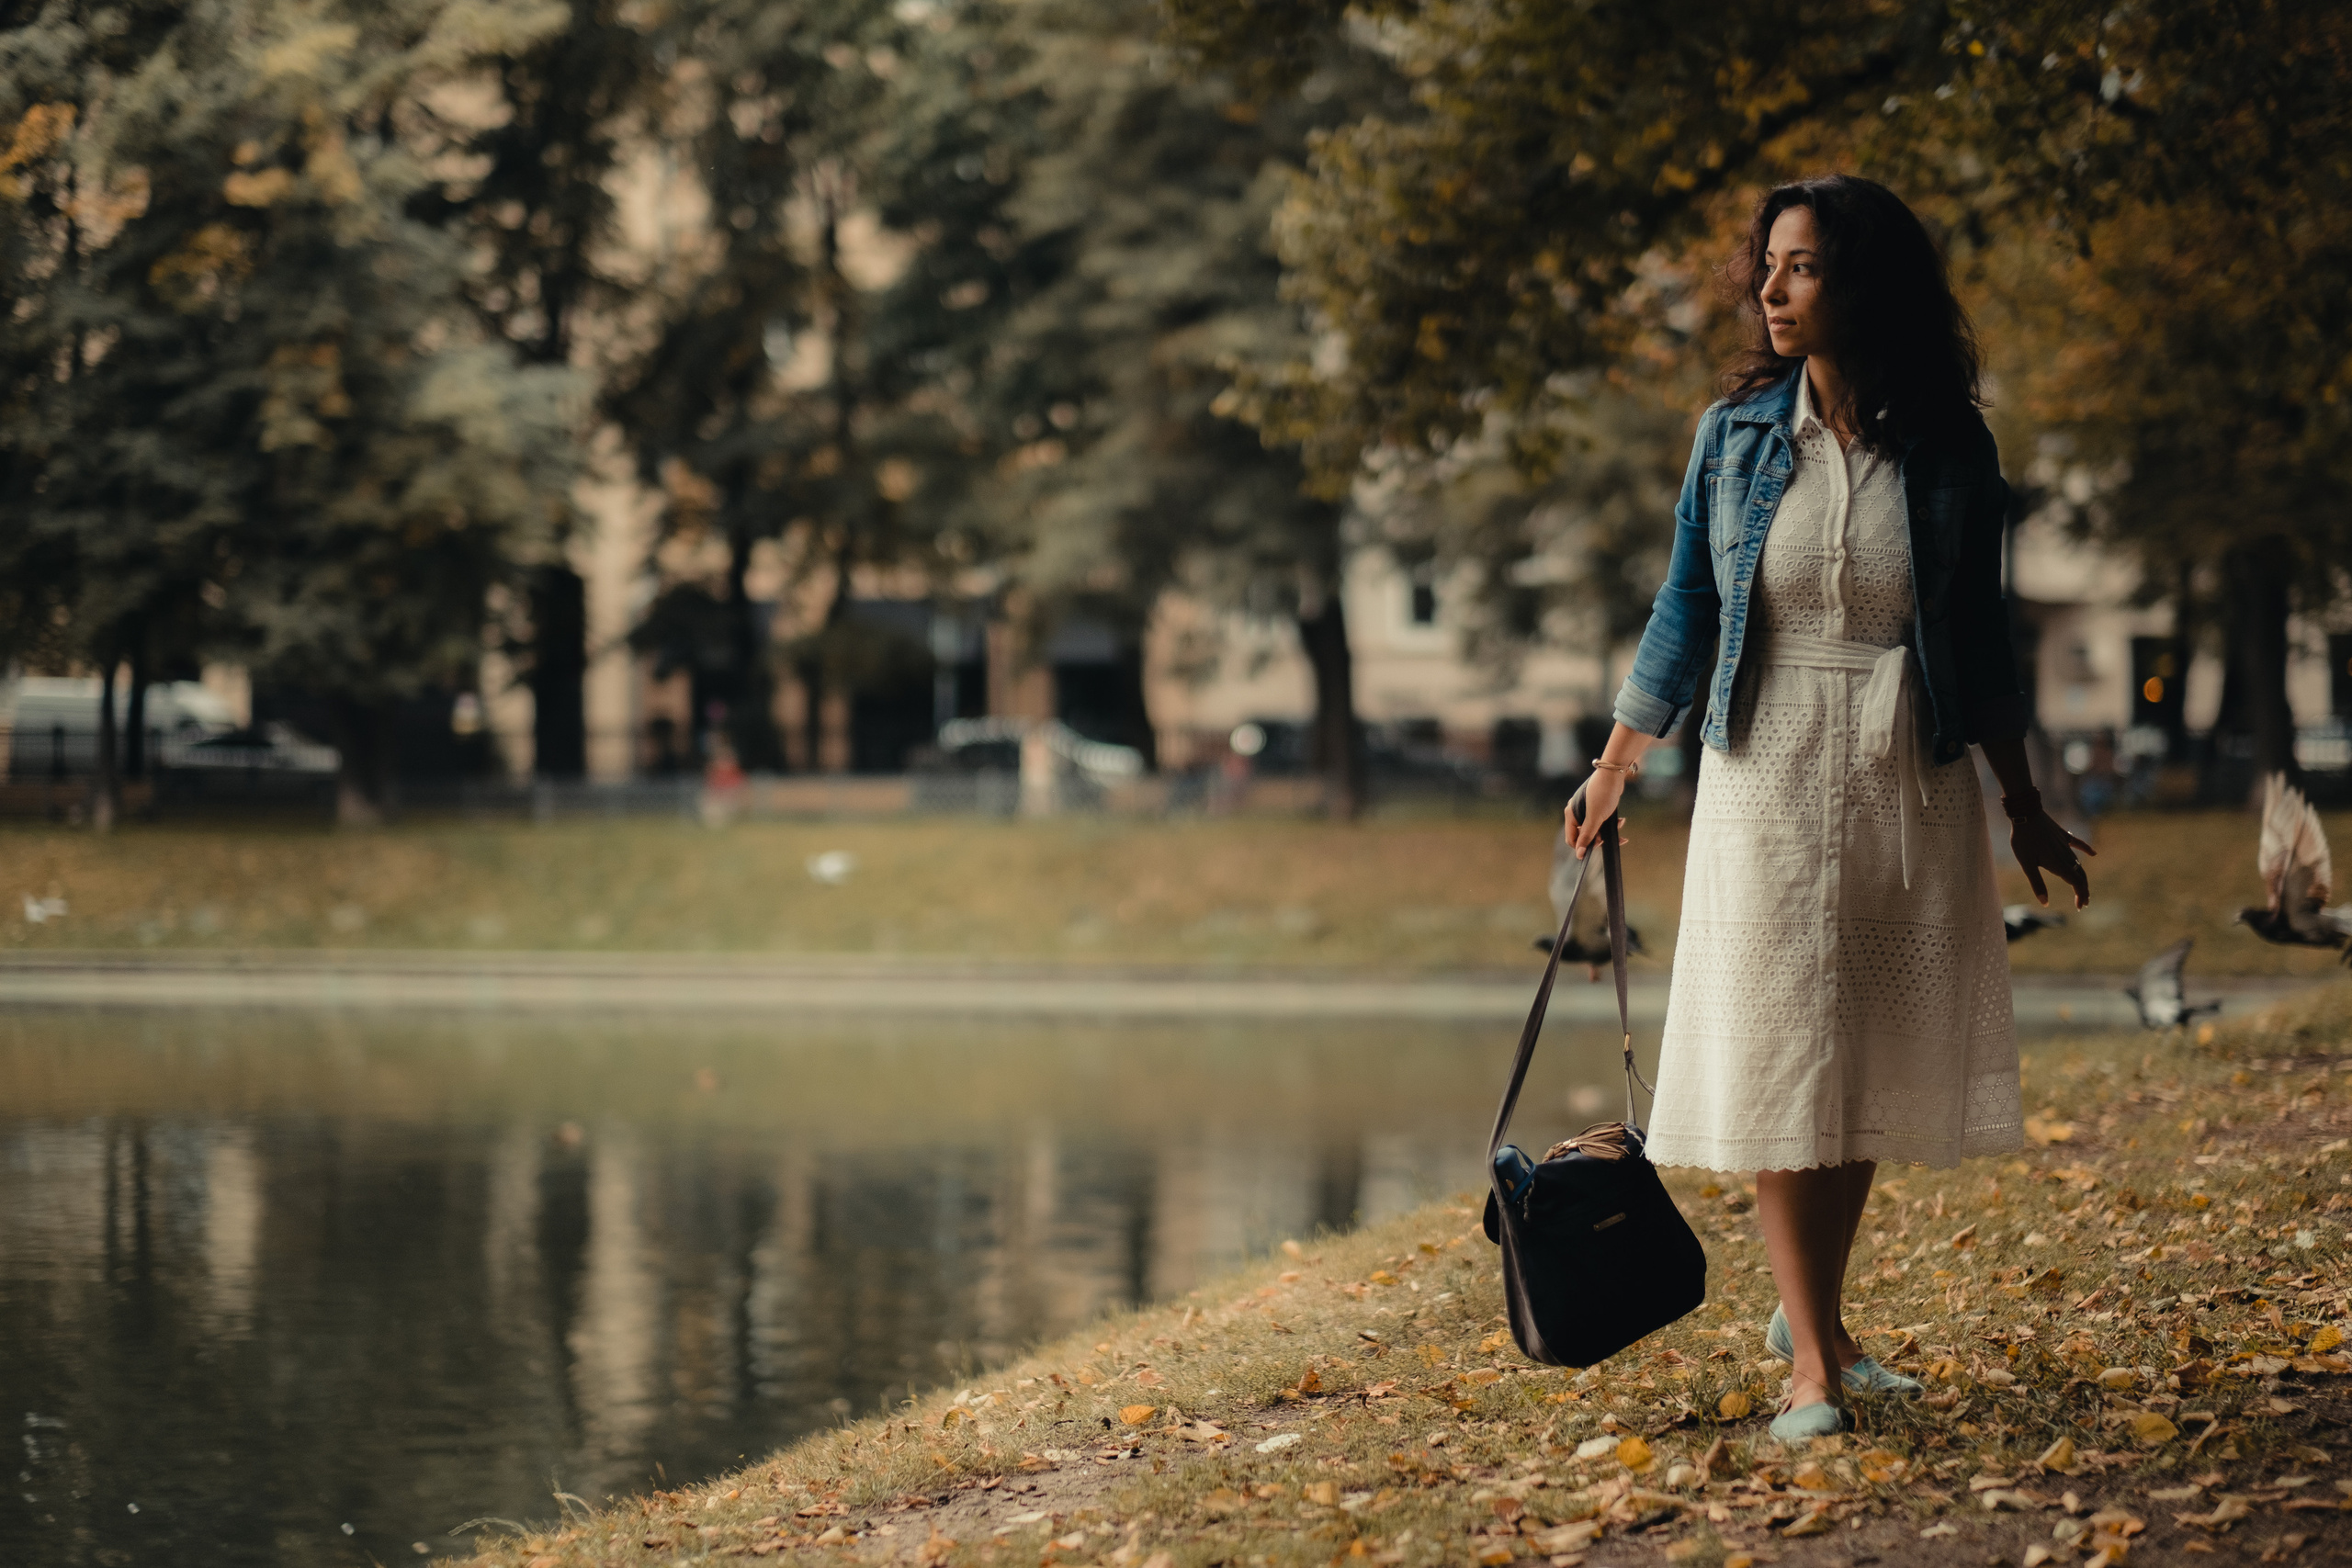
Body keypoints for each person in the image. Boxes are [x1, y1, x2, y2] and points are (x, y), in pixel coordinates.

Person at [1566, 174, 2093, 1440]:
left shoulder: (1953, 448)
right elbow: (1688, 605)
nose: (1771, 287)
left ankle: (1824, 1326)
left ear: (1864, 282)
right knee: (1780, 1040)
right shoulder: (1737, 434)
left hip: (1903, 763)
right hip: (1769, 762)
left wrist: (2021, 799)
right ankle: (1809, 1365)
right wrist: (1619, 759)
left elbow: (1976, 636)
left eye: (1800, 265)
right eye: (1769, 265)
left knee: (1852, 1044)